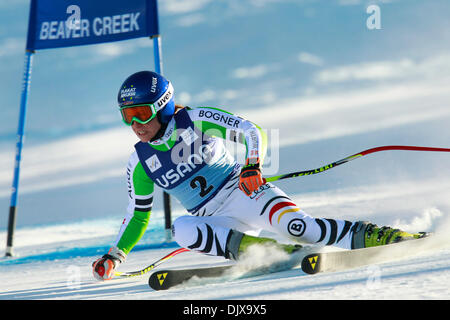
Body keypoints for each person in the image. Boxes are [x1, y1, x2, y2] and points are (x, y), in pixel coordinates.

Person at [92, 71, 423, 281]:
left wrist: (252, 165)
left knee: (300, 229)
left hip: (244, 192)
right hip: (214, 219)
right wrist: (114, 256)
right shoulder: (140, 162)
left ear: (163, 106)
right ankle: (262, 250)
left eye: (141, 113)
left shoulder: (193, 119)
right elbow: (137, 216)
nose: (135, 124)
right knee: (182, 228)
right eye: (126, 116)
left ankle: (389, 238)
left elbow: (252, 131)